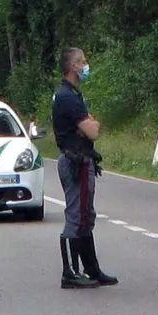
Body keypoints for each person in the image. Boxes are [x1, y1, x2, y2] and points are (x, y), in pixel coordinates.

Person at [51, 48, 115, 289]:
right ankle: (70, 272)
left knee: (86, 215)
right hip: (76, 160)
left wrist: (88, 123)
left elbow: (88, 126)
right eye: (83, 62)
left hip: (79, 158)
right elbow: (93, 131)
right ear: (73, 66)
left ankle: (91, 269)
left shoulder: (70, 94)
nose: (86, 65)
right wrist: (90, 123)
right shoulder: (68, 96)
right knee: (77, 216)